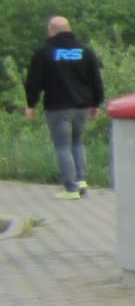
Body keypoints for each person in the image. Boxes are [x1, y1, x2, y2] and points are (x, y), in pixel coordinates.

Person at [23, 14, 105, 199]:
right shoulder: (85, 51)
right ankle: (81, 181)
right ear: (69, 29)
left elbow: (34, 81)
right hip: (82, 107)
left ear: (52, 30)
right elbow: (96, 79)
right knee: (77, 142)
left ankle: (70, 188)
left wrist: (31, 104)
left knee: (62, 146)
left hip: (58, 107)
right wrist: (96, 103)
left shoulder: (44, 53)